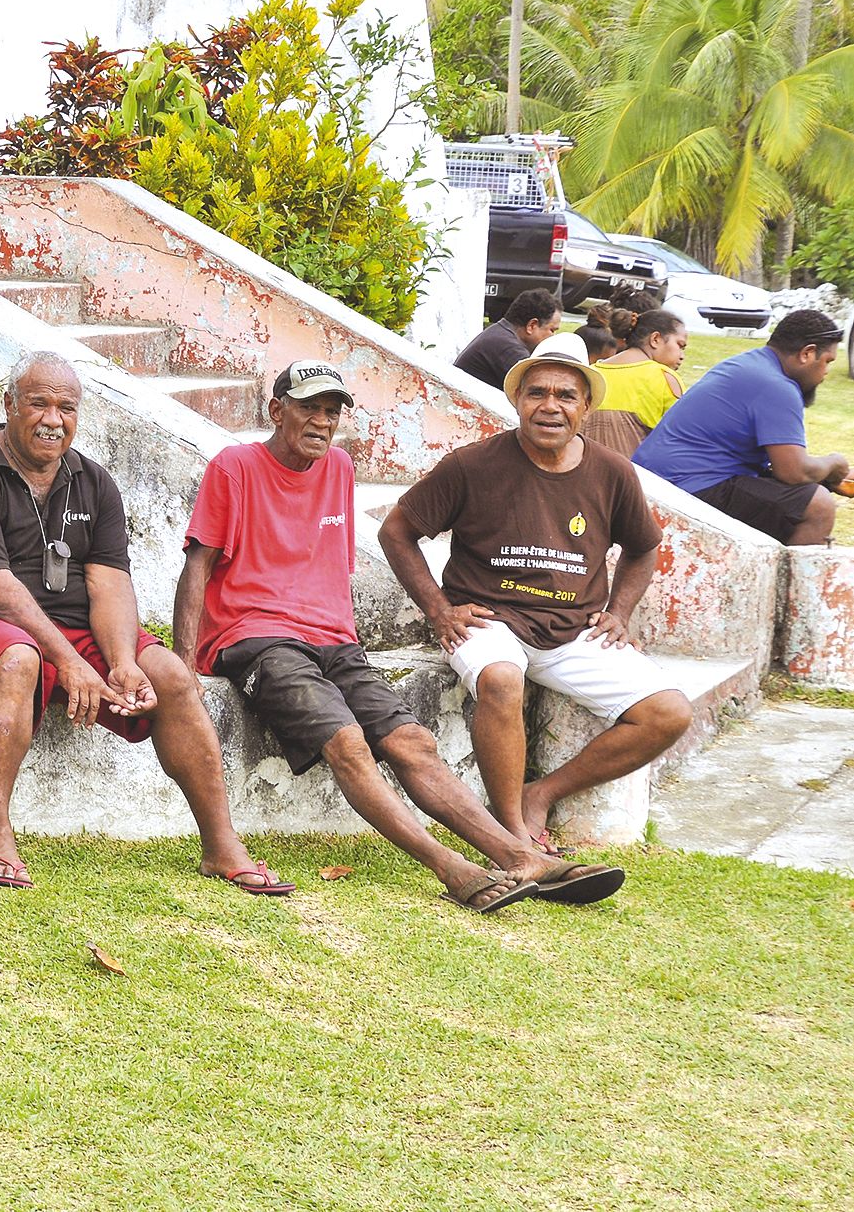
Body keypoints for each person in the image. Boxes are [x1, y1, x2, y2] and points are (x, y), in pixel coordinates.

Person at [177, 360, 622, 911]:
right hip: (257, 637)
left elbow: (328, 567)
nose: (321, 421)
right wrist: (184, 662)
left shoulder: (338, 466)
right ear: (276, 411)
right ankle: (452, 868)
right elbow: (197, 566)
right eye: (308, 408)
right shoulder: (235, 465)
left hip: (333, 641)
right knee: (347, 741)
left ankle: (519, 857)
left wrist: (338, 640)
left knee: (414, 742)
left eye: (331, 411)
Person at [0, 351, 284, 894]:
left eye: (66, 408)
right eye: (38, 404)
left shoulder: (92, 481)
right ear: (9, 405)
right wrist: (68, 662)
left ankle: (221, 844)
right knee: (18, 658)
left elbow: (109, 582)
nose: (53, 419)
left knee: (170, 676)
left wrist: (122, 662)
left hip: (72, 629)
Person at [379, 332, 692, 857]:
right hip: (489, 621)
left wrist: (619, 611)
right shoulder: (472, 465)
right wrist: (438, 609)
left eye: (566, 396)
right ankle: (512, 835)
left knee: (669, 712)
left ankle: (539, 795)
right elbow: (396, 531)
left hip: (574, 630)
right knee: (502, 678)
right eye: (537, 393)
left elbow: (643, 548)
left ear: (586, 407)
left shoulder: (612, 471)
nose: (550, 406)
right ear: (518, 401)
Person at [634, 309, 848, 546]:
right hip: (685, 484)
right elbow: (794, 471)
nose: (826, 372)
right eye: (827, 361)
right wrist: (835, 463)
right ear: (807, 353)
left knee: (798, 497)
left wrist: (825, 476)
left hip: (658, 478)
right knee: (818, 506)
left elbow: (785, 466)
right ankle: (787, 573)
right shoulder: (777, 386)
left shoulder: (749, 364)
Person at [586, 308, 687, 456]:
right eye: (680, 345)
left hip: (586, 464)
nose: (682, 356)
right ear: (655, 339)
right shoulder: (665, 378)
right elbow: (681, 437)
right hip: (637, 469)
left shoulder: (590, 373)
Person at [457, 287, 560, 389]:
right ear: (531, 325)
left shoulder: (501, 334)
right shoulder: (507, 347)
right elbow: (545, 388)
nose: (553, 337)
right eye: (552, 330)